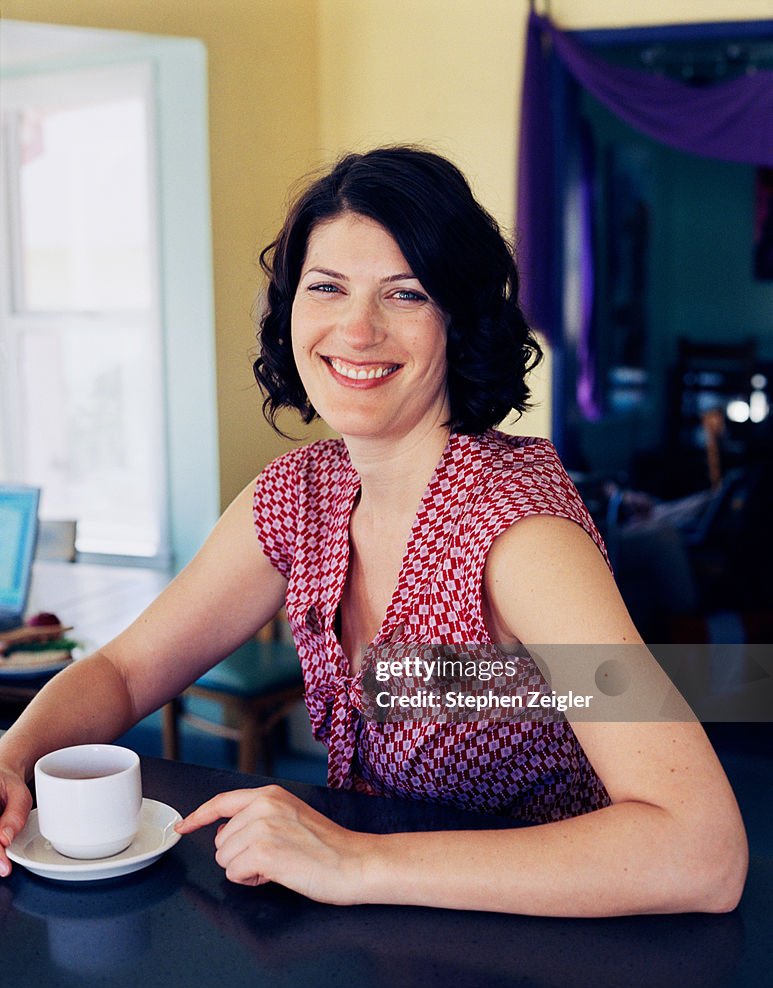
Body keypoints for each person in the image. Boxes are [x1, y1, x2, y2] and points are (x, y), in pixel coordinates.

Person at [0, 147, 747, 915]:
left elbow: (701, 851)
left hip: (563, 957)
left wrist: (354, 862)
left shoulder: (519, 535)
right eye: (326, 288)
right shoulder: (300, 495)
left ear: (459, 321)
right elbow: (124, 671)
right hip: (401, 950)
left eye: (405, 294)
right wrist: (11, 759)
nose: (356, 330)